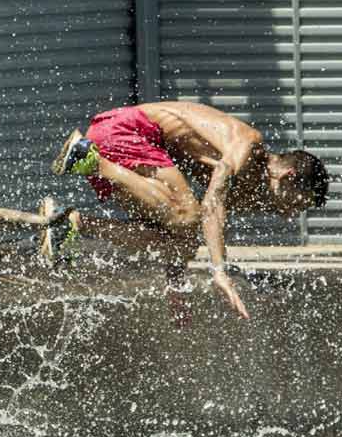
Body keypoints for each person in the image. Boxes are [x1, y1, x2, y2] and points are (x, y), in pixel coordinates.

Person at [51, 101, 329, 320]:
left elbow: (196, 229)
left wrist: (176, 289)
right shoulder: (248, 145)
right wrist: (219, 270)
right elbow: (212, 205)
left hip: (130, 149)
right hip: (125, 130)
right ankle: (90, 160)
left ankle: (74, 224)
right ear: (289, 177)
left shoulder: (249, 187)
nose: (289, 214)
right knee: (188, 216)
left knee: (181, 243)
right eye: (296, 203)